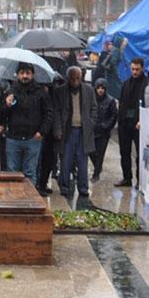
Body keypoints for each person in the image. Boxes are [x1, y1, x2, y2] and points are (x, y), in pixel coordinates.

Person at [2, 62, 52, 188]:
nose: (25, 76)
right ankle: (14, 197)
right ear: (17, 74)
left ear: (32, 74)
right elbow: (2, 114)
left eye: (28, 73)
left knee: (30, 172)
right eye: (22, 73)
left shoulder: (40, 92)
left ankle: (29, 198)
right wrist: (6, 105)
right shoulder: (10, 91)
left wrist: (42, 131)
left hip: (33, 138)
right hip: (13, 138)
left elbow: (48, 113)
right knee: (12, 172)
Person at [58, 65, 96, 198]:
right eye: (72, 78)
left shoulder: (88, 90)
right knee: (65, 160)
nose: (75, 81)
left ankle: (83, 188)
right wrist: (58, 129)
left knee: (82, 161)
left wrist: (91, 123)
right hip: (67, 131)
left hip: (83, 131)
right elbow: (57, 111)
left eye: (77, 78)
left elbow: (94, 108)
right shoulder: (61, 91)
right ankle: (64, 186)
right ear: (68, 78)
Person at [115, 57, 146, 186]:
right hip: (125, 123)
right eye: (133, 69)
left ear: (142, 68)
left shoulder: (146, 85)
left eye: (137, 69)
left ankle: (140, 180)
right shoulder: (126, 83)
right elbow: (122, 102)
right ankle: (127, 177)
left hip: (139, 124)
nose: (134, 72)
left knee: (140, 154)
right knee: (124, 152)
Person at [91, 78, 118, 178]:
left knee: (100, 153)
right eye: (98, 88)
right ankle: (98, 167)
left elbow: (114, 115)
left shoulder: (110, 101)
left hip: (104, 132)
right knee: (91, 151)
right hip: (93, 130)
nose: (100, 90)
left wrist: (106, 126)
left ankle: (96, 174)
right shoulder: (92, 99)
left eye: (102, 88)